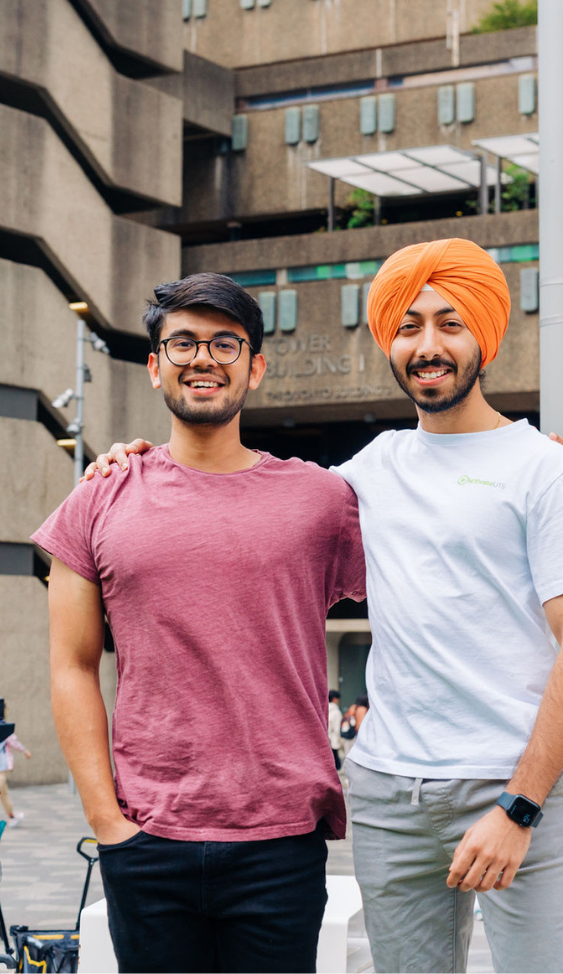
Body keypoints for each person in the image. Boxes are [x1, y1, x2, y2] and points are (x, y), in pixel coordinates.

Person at [83, 238, 563, 974]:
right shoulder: (366, 474)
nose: (427, 345)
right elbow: (246, 502)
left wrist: (520, 806)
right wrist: (137, 465)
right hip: (387, 795)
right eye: (408, 327)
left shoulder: (548, 472)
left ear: (486, 337)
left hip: (514, 786)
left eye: (449, 323)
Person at [32, 274, 366, 974]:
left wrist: (530, 459)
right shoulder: (98, 500)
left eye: (224, 342)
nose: (202, 357)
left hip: (281, 841)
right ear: (155, 367)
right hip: (146, 839)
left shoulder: (322, 500)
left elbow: (439, 563)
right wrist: (107, 824)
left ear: (256, 366)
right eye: (181, 342)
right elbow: (69, 665)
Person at [0, 705, 31, 830]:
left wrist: (24, 751)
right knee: (3, 793)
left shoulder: (3, 727)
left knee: (3, 792)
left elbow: (13, 742)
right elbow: (13, 741)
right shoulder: (3, 727)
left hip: (2, 767)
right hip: (2, 766)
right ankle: (12, 817)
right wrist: (25, 751)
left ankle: (12, 817)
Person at [328, 690, 344, 769]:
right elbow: (337, 729)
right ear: (335, 699)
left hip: (325, 739)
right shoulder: (336, 712)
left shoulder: (324, 708)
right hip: (333, 741)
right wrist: (341, 742)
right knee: (336, 765)